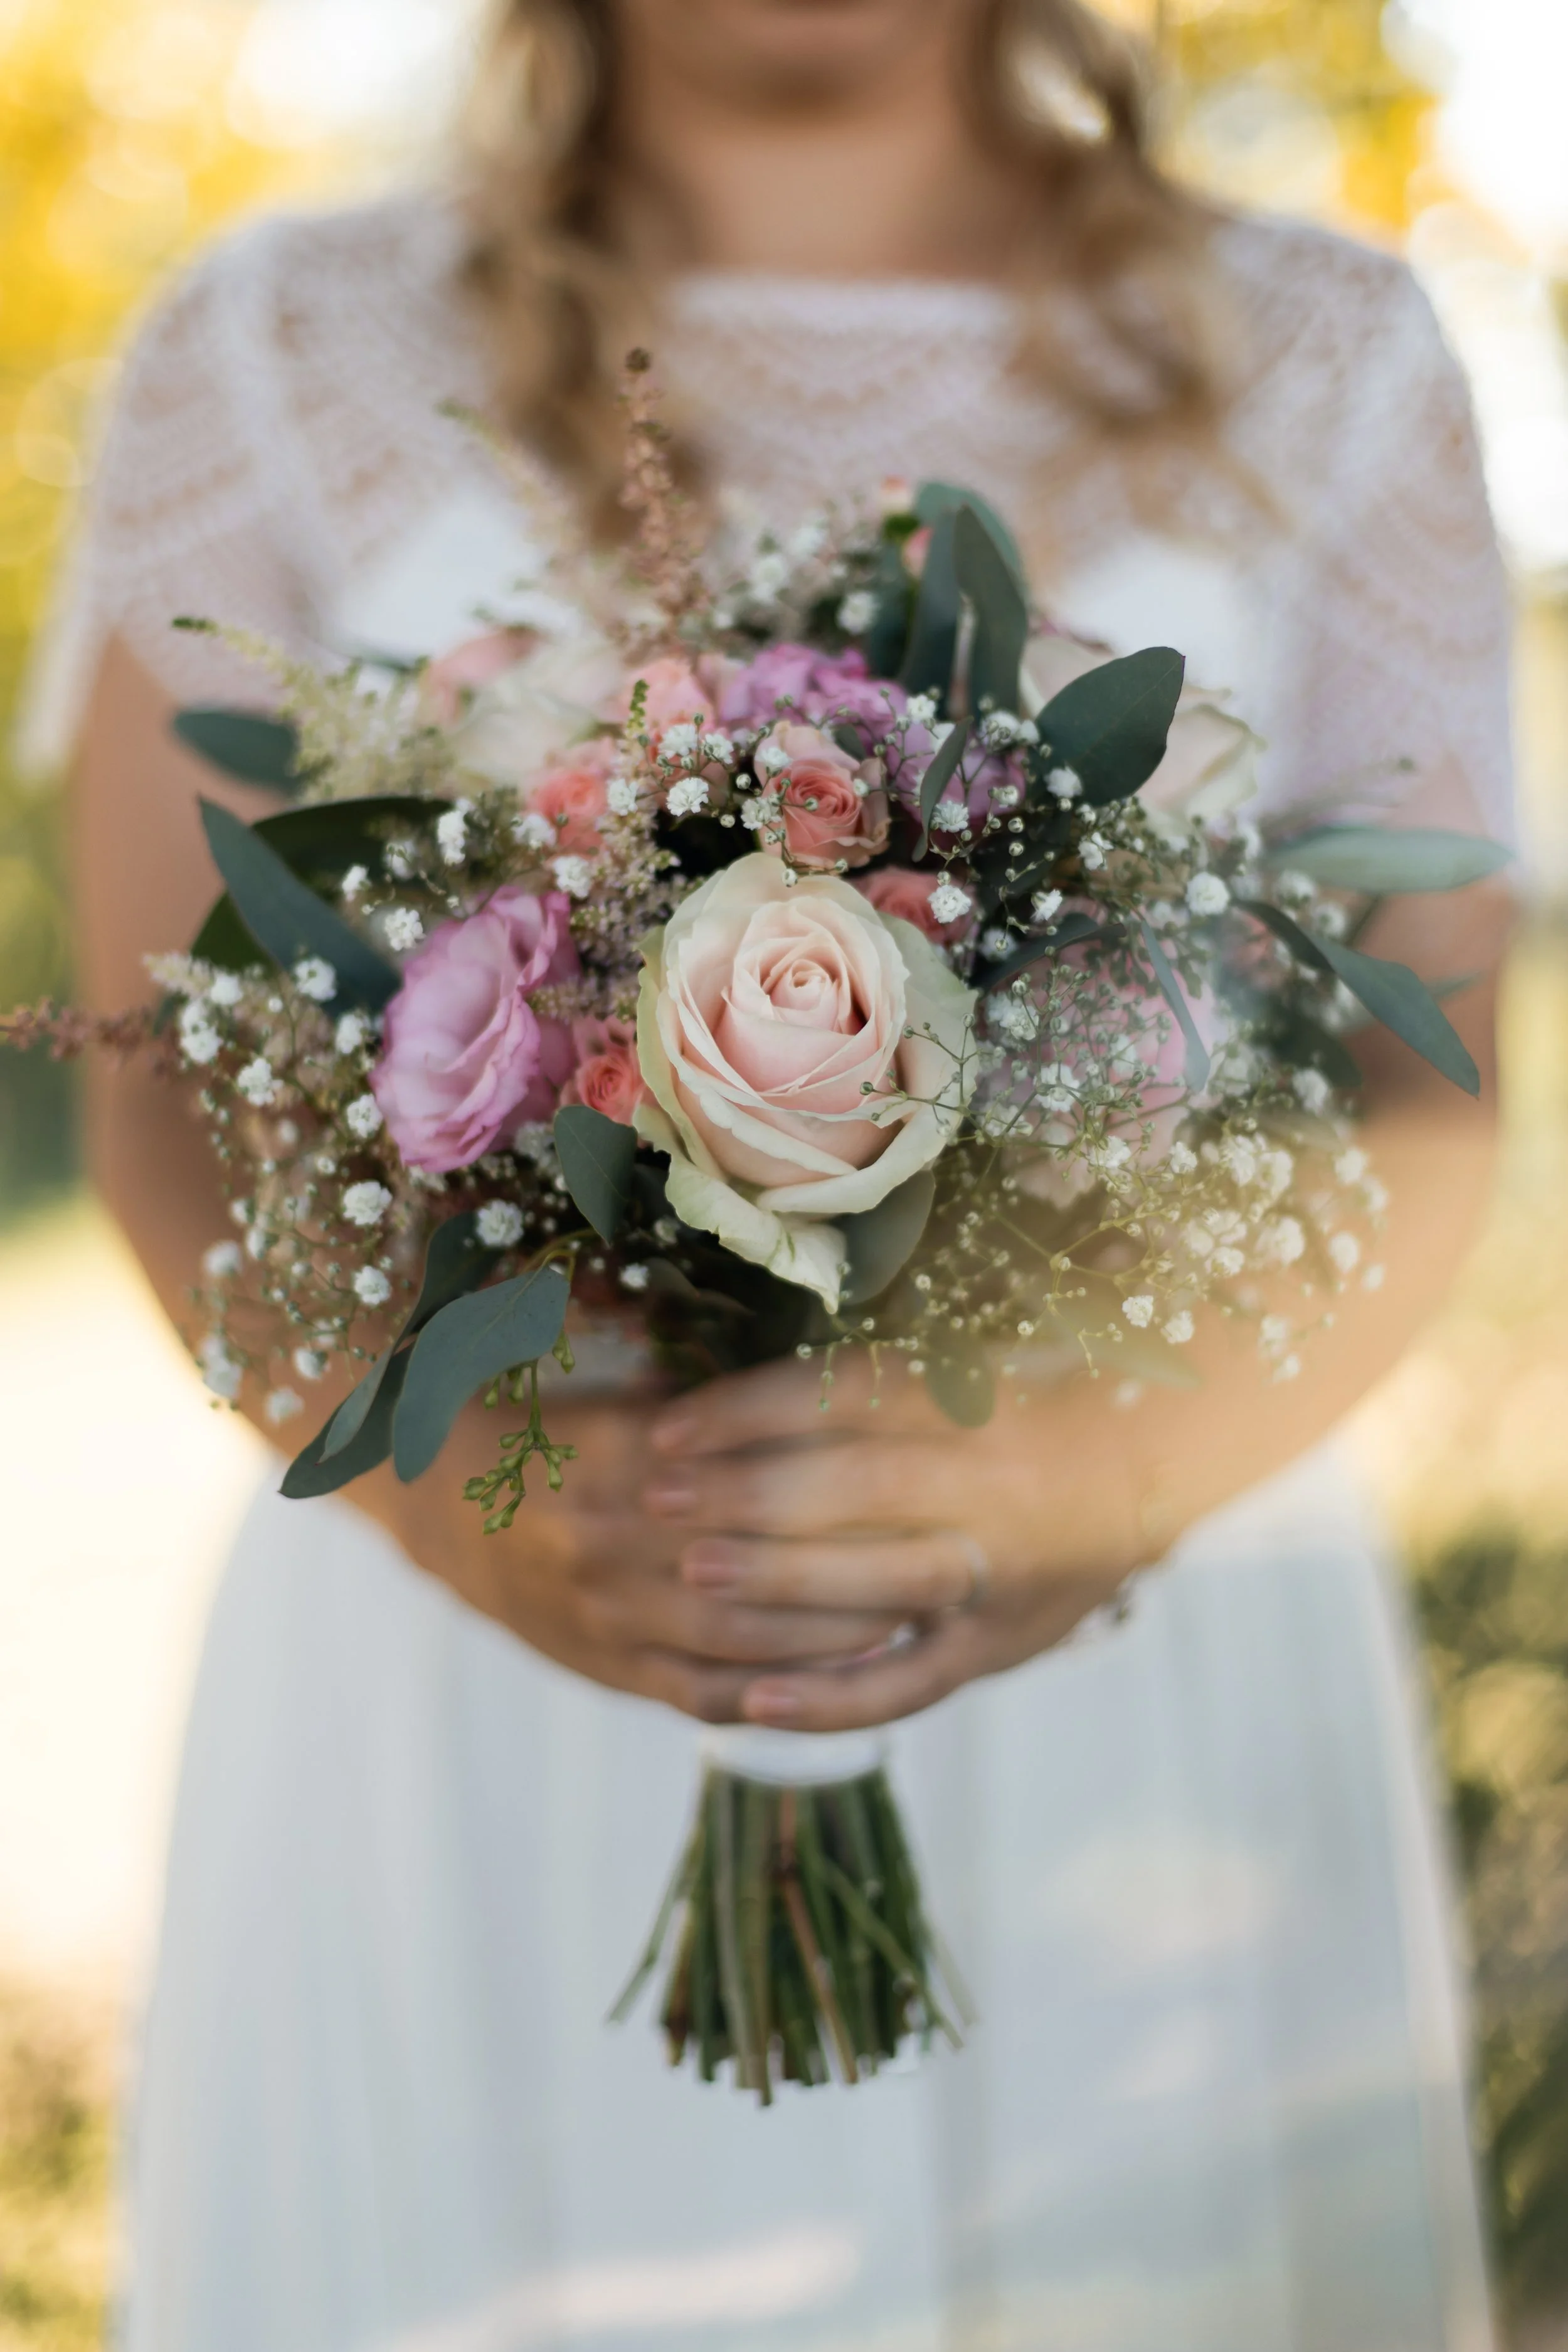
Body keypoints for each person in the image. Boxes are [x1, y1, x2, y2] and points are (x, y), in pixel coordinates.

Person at [46, 2, 1513, 2345]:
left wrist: (1089, 1482)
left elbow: (1422, 1089)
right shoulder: (272, 344)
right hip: (486, 1620)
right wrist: (460, 1512)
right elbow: (154, 1071)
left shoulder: (1324, 351)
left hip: (1128, 1676)